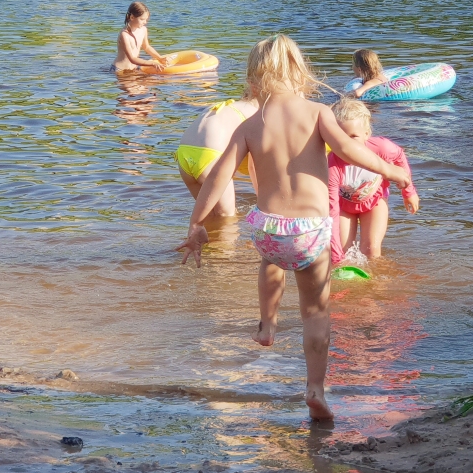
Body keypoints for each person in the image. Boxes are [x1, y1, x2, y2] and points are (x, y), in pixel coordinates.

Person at [176, 35, 409, 421]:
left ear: (253, 79)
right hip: (310, 230)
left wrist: (196, 224)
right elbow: (351, 151)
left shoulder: (250, 124)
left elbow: (218, 176)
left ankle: (267, 324)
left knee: (270, 264)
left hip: (267, 229)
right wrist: (392, 171)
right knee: (316, 312)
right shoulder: (318, 112)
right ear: (301, 73)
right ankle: (315, 389)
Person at [327, 98, 419, 258]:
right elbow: (332, 210)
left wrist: (409, 192)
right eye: (341, 138)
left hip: (374, 203)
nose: (347, 145)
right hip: (343, 206)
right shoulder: (332, 164)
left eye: (353, 136)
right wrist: (336, 258)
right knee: (342, 251)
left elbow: (399, 156)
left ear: (366, 134)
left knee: (371, 249)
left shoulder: (381, 148)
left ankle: (377, 281)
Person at [176, 95, 259, 217]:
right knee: (227, 217)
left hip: (183, 155)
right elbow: (254, 167)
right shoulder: (255, 114)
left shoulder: (227, 106)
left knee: (208, 214)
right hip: (209, 155)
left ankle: (207, 235)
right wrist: (261, 198)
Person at [111, 2, 168, 72]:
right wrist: (152, 63)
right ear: (132, 17)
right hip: (120, 70)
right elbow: (132, 58)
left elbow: (147, 47)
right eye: (142, 19)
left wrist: (159, 58)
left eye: (146, 20)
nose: (145, 22)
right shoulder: (124, 35)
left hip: (134, 68)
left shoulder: (143, 30)